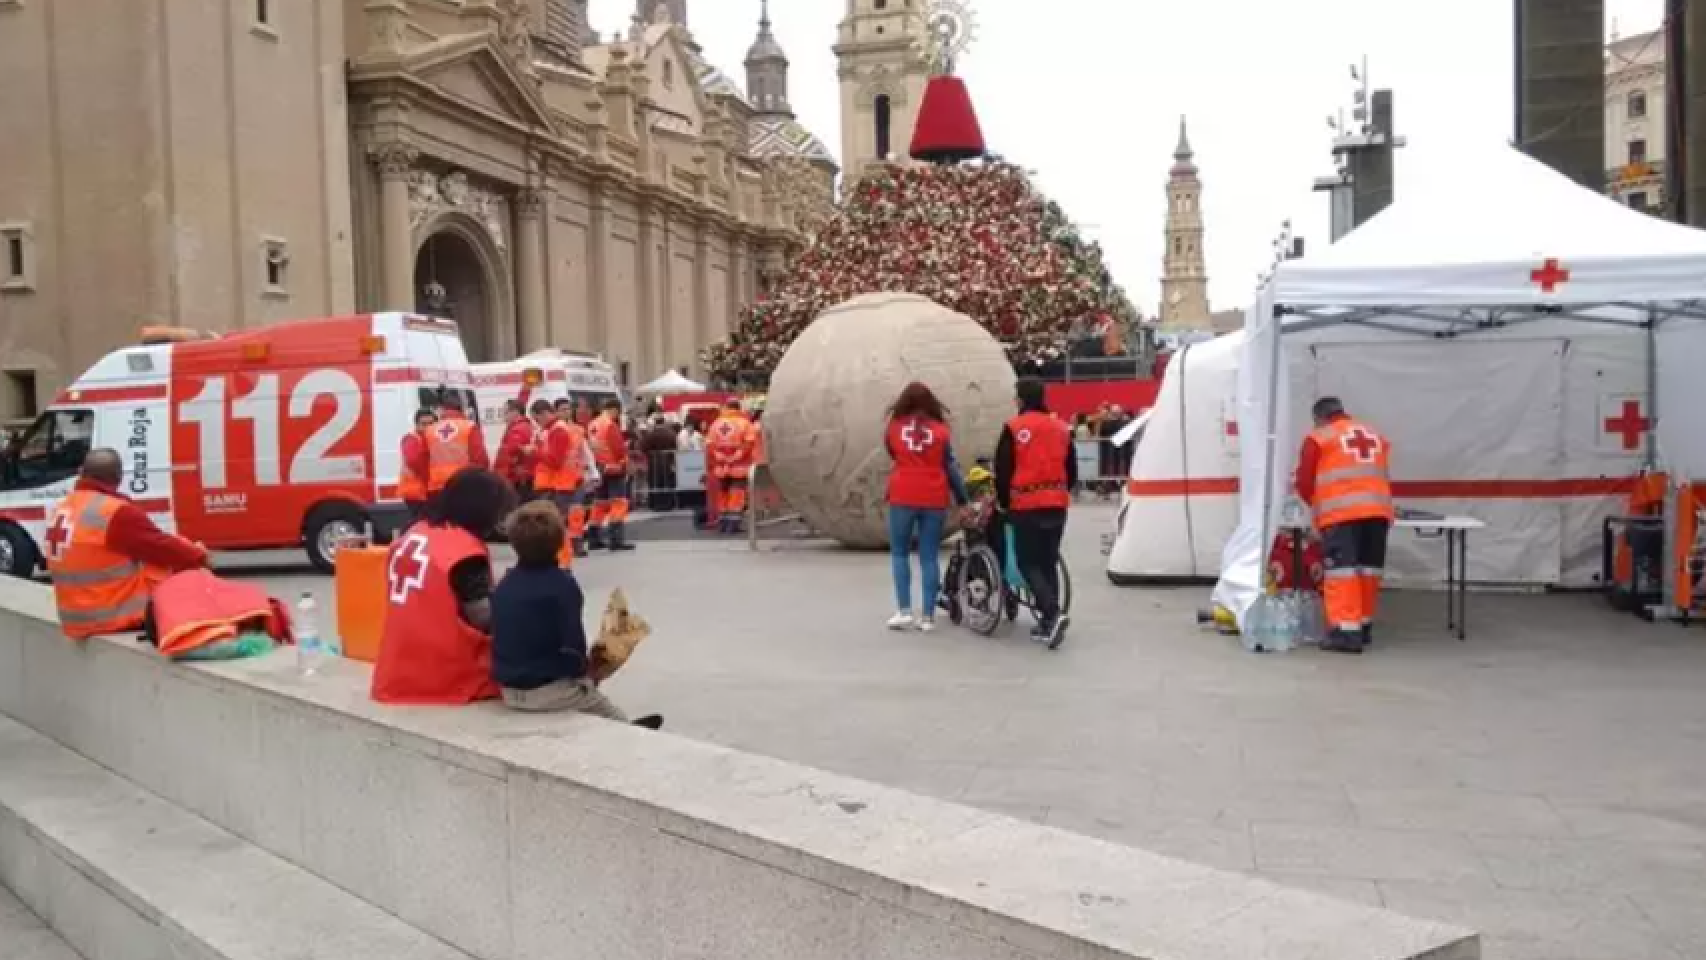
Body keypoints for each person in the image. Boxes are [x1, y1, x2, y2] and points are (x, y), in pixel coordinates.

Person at [491, 501, 663, 728]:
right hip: (547, 690)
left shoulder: (504, 584)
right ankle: (626, 729)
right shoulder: (562, 585)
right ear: (560, 542)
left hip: (509, 688)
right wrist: (590, 673)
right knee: (606, 710)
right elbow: (573, 645)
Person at [372, 468, 514, 705]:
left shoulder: (414, 533)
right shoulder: (464, 553)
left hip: (396, 671)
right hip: (445, 674)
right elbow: (483, 618)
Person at [45, 449, 210, 640]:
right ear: (119, 477)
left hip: (75, 619)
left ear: (81, 472)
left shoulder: (63, 507)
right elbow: (164, 547)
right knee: (164, 564)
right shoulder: (114, 512)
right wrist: (199, 554)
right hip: (110, 618)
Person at [1295, 396, 1393, 654]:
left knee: (1342, 572)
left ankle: (1345, 632)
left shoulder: (1319, 438)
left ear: (1319, 417)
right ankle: (1363, 625)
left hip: (1341, 515)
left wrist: (1317, 505)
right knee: (1368, 571)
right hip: (1378, 513)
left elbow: (1304, 482)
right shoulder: (1374, 435)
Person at [995, 378, 1077, 648]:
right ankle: (1047, 623)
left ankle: (1052, 613)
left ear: (1019, 399)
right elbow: (1072, 469)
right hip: (1057, 502)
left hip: (1026, 503)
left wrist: (1004, 503)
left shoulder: (1014, 428)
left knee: (1027, 562)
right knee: (1048, 561)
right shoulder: (1061, 427)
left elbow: (1003, 470)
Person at [882, 383, 970, 631]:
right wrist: (963, 499)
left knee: (900, 553)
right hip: (934, 495)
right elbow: (950, 467)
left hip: (903, 493)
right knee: (929, 555)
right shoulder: (941, 431)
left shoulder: (894, 428)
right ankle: (928, 616)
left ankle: (904, 611)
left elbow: (892, 453)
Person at [412, 392, 490, 497]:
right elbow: (480, 459)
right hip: (463, 485)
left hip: (437, 488)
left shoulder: (430, 430)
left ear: (442, 409)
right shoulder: (469, 427)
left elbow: (422, 461)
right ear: (461, 408)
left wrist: (427, 483)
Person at [586, 399, 636, 551]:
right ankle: (616, 539)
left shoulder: (592, 424)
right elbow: (618, 449)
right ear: (614, 409)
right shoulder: (610, 425)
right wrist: (626, 464)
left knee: (599, 504)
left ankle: (594, 538)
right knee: (618, 503)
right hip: (615, 468)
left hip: (600, 468)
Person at [706, 399, 755, 534]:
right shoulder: (745, 423)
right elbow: (749, 443)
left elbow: (709, 444)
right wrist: (735, 457)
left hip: (721, 467)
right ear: (739, 408)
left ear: (726, 407)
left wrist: (720, 456)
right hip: (739, 467)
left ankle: (723, 524)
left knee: (723, 493)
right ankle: (733, 524)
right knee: (737, 494)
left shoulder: (715, 424)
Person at [494, 399, 536, 499]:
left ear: (515, 412)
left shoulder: (518, 429)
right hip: (520, 476)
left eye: (506, 412)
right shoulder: (522, 426)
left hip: (516, 478)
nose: (504, 416)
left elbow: (510, 453)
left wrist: (500, 475)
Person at [398, 409, 435, 522]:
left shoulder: (432, 439)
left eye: (431, 423)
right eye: (424, 424)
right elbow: (414, 461)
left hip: (425, 492)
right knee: (422, 522)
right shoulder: (411, 439)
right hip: (416, 492)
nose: (428, 427)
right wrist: (429, 480)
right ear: (417, 425)